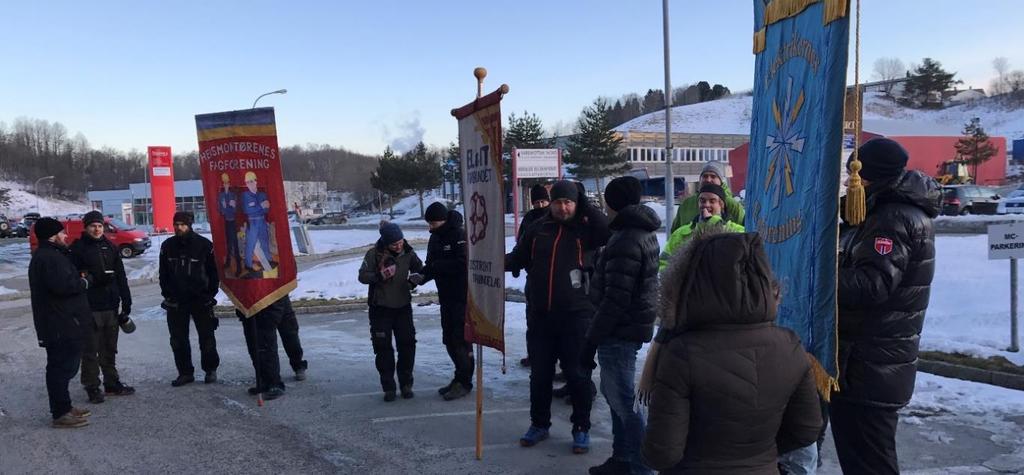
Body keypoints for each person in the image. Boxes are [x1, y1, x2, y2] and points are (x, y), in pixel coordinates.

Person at [640, 231, 821, 473]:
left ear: (692, 282)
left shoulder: (682, 353)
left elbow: (662, 453)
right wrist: (760, 454)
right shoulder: (790, 346)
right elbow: (807, 429)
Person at [832, 138, 940, 474]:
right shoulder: (880, 212)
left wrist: (818, 277)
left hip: (871, 364)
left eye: (855, 175)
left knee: (870, 464)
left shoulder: (893, 217)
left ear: (869, 178)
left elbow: (872, 285)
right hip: (866, 361)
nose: (851, 183)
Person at [506, 179, 610, 454]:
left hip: (577, 316)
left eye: (568, 202)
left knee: (578, 375)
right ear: (550, 204)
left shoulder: (586, 229)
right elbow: (517, 258)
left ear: (576, 203)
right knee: (540, 375)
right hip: (541, 316)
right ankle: (539, 424)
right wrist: (488, 262)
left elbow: (606, 230)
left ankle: (581, 427)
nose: (562, 208)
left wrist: (584, 203)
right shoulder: (538, 228)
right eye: (558, 202)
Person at [580, 177, 659, 475]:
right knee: (615, 395)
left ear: (612, 202)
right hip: (627, 328)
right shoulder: (639, 231)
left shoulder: (626, 238)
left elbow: (615, 299)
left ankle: (642, 467)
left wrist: (590, 341)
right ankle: (623, 458)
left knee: (624, 400)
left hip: (618, 331)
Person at [29, 217, 93, 428]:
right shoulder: (48, 258)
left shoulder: (52, 255)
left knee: (64, 366)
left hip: (63, 321)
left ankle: (64, 406)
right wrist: (83, 281)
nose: (66, 236)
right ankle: (60, 413)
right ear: (52, 236)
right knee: (60, 368)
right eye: (62, 233)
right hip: (59, 323)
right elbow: (63, 287)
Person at [69, 211, 134, 404]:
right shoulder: (78, 249)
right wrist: (94, 280)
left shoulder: (110, 247)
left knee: (109, 348)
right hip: (90, 307)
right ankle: (92, 387)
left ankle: (112, 383)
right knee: (90, 350)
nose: (97, 229)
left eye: (99, 226)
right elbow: (74, 280)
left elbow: (121, 276)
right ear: (86, 227)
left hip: (111, 306)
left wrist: (127, 300)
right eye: (93, 226)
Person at [358, 221, 424, 402]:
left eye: (400, 241)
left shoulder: (408, 253)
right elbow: (362, 276)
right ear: (386, 242)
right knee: (383, 349)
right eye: (394, 243)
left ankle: (406, 384)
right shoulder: (373, 254)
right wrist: (379, 276)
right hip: (380, 309)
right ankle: (388, 387)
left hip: (403, 307)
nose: (399, 245)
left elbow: (421, 269)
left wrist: (415, 280)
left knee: (407, 345)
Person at [413, 202, 473, 401]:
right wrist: (419, 278)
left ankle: (464, 382)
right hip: (445, 297)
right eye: (429, 224)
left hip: (462, 297)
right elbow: (431, 266)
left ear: (445, 220)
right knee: (448, 339)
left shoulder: (459, 235)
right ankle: (458, 377)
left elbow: (464, 264)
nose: (431, 227)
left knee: (460, 341)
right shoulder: (435, 238)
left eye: (434, 223)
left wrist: (437, 266)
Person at [159, 211, 221, 387]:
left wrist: (210, 295)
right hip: (176, 301)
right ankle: (185, 372)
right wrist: (167, 294)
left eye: (183, 224)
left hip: (201, 299)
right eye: (176, 224)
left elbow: (214, 273)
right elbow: (163, 274)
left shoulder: (204, 245)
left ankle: (210, 369)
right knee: (178, 340)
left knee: (207, 338)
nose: (179, 227)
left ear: (190, 225)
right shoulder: (167, 246)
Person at [660, 183, 744, 271]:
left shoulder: (736, 231)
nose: (706, 205)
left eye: (712, 201)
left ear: (721, 205)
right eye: (702, 201)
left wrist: (712, 221)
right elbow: (663, 263)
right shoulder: (681, 233)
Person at [238, 295, 298, 400]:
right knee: (255, 345)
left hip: (269, 302)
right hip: (250, 302)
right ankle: (265, 381)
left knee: (266, 345)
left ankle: (274, 383)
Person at [517, 183, 550, 368]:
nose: (539, 205)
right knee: (532, 320)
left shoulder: (552, 217)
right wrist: (517, 262)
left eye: (543, 201)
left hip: (551, 276)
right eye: (536, 202)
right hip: (533, 275)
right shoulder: (529, 219)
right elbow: (521, 242)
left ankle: (552, 358)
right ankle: (533, 354)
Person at [670, 161, 745, 233]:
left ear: (721, 180)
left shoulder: (733, 205)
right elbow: (675, 232)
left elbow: (743, 233)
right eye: (705, 176)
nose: (708, 180)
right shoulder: (687, 204)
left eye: (713, 176)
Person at [242, 171, 274, 275]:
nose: (250, 184)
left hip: (262, 220)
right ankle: (248, 264)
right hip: (252, 222)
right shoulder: (245, 195)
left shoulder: (262, 194)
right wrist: (260, 206)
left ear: (256, 181)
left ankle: (268, 261)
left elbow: (266, 210)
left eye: (252, 181)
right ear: (246, 184)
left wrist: (257, 207)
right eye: (248, 182)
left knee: (265, 242)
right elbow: (247, 210)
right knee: (250, 244)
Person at [278, 299, 308, 381]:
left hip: (279, 295)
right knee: (265, 339)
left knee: (290, 334)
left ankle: (298, 366)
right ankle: (269, 375)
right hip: (260, 297)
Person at [218, 173, 242, 275]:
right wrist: (226, 207)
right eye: (224, 183)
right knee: (228, 243)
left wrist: (226, 207)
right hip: (226, 222)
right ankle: (228, 262)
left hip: (233, 221)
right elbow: (222, 211)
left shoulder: (233, 195)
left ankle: (239, 267)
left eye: (227, 183)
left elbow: (233, 210)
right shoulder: (221, 195)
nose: (226, 185)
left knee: (235, 244)